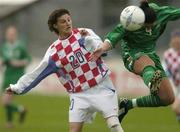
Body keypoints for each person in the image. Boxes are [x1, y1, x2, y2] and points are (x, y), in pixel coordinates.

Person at [5, 9, 124, 132]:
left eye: (69, 19)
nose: (68, 23)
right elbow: (37, 73)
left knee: (114, 125)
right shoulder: (54, 52)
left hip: (102, 86)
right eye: (63, 21)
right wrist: (17, 87)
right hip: (78, 94)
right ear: (55, 25)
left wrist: (89, 41)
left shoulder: (85, 32)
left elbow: (102, 51)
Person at [90, 0, 180, 122]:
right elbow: (112, 37)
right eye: (146, 25)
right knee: (147, 63)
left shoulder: (162, 13)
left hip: (151, 54)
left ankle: (128, 104)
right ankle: (151, 84)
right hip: (132, 55)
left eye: (152, 25)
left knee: (168, 98)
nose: (149, 28)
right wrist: (102, 49)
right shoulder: (130, 20)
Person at [0, 26, 31, 128]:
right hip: (7, 75)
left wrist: (18, 63)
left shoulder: (21, 47)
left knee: (5, 101)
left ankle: (20, 110)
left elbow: (28, 60)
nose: (10, 36)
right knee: (7, 101)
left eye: (12, 34)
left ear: (15, 35)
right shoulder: (4, 47)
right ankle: (10, 122)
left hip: (16, 76)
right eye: (9, 34)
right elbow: (3, 60)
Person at [164, 30, 180, 123]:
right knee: (176, 109)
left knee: (176, 107)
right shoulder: (168, 54)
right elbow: (166, 71)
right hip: (176, 85)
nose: (176, 40)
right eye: (174, 38)